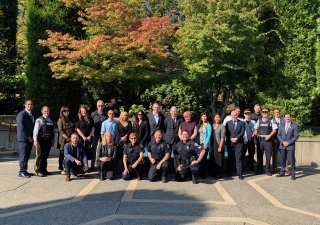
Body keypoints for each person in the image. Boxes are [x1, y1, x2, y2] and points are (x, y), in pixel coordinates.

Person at [253, 107, 278, 176]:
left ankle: (267, 170)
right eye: (263, 112)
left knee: (268, 156)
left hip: (268, 141)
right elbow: (255, 130)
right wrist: (255, 139)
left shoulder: (271, 121)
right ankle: (259, 170)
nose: (265, 114)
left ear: (268, 113)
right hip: (260, 140)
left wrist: (269, 136)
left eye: (266, 112)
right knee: (259, 156)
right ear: (262, 113)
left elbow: (275, 130)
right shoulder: (259, 120)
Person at [33, 106, 55, 177]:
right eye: (45, 111)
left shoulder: (51, 120)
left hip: (48, 140)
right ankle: (38, 170)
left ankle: (44, 169)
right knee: (40, 156)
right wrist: (35, 140)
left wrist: (53, 140)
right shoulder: (39, 120)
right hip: (41, 140)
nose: (46, 112)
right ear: (42, 112)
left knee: (45, 156)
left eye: (47, 111)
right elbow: (35, 131)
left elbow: (53, 131)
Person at [276, 113, 299, 180]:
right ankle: (282, 172)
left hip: (290, 146)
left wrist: (288, 142)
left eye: (288, 117)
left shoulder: (294, 126)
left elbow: (296, 136)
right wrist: (283, 142)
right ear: (284, 118)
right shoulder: (281, 125)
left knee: (291, 160)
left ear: (290, 117)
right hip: (282, 145)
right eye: (286, 117)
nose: (287, 118)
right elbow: (278, 135)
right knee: (282, 160)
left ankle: (293, 174)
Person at [17, 100, 35, 178]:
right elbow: (21, 127)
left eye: (31, 104)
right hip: (24, 139)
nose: (29, 106)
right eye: (28, 104)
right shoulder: (21, 114)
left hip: (30, 138)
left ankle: (25, 170)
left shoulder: (32, 114)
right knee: (23, 156)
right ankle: (22, 171)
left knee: (27, 155)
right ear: (25, 105)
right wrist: (28, 137)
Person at [225, 110, 246, 180]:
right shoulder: (228, 123)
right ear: (231, 116)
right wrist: (231, 138)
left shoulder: (242, 123)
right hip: (230, 143)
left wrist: (236, 138)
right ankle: (230, 172)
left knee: (238, 158)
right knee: (230, 158)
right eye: (233, 115)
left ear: (237, 115)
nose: (234, 116)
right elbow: (227, 133)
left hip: (239, 143)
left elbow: (242, 132)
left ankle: (240, 174)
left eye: (235, 115)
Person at [90, 100, 107, 170]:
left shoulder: (106, 114)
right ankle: (92, 164)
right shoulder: (93, 114)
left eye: (102, 106)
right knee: (93, 149)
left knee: (103, 149)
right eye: (99, 106)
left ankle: (101, 164)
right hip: (95, 134)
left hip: (103, 135)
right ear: (97, 106)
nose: (100, 107)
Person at [57, 106, 74, 175]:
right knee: (62, 155)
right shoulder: (60, 120)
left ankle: (70, 168)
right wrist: (67, 137)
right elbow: (60, 130)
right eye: (64, 111)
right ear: (62, 112)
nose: (66, 112)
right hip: (64, 140)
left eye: (67, 111)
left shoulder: (70, 119)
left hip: (71, 140)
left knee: (71, 154)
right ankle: (61, 168)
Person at [196, 112, 212, 178]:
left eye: (205, 116)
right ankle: (200, 172)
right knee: (200, 158)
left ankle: (204, 173)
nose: (204, 118)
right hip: (199, 144)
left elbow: (209, 135)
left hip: (205, 144)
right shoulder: (199, 125)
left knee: (204, 159)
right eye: (202, 116)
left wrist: (206, 143)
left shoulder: (208, 125)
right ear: (201, 117)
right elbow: (198, 135)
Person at [211, 113, 225, 178]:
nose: (217, 118)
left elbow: (222, 137)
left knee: (219, 159)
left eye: (218, 117)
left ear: (220, 118)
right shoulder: (213, 125)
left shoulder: (222, 126)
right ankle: (214, 172)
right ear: (214, 118)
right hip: (213, 143)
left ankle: (219, 173)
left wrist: (220, 146)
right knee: (214, 158)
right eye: (216, 117)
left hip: (218, 143)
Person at [271, 108, 284, 173]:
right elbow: (270, 131)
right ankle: (274, 168)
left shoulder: (283, 120)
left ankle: (284, 168)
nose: (277, 113)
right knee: (275, 155)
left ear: (280, 113)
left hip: (282, 140)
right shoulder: (271, 120)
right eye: (275, 112)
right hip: (275, 140)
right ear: (273, 114)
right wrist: (273, 139)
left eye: (278, 112)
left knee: (283, 154)